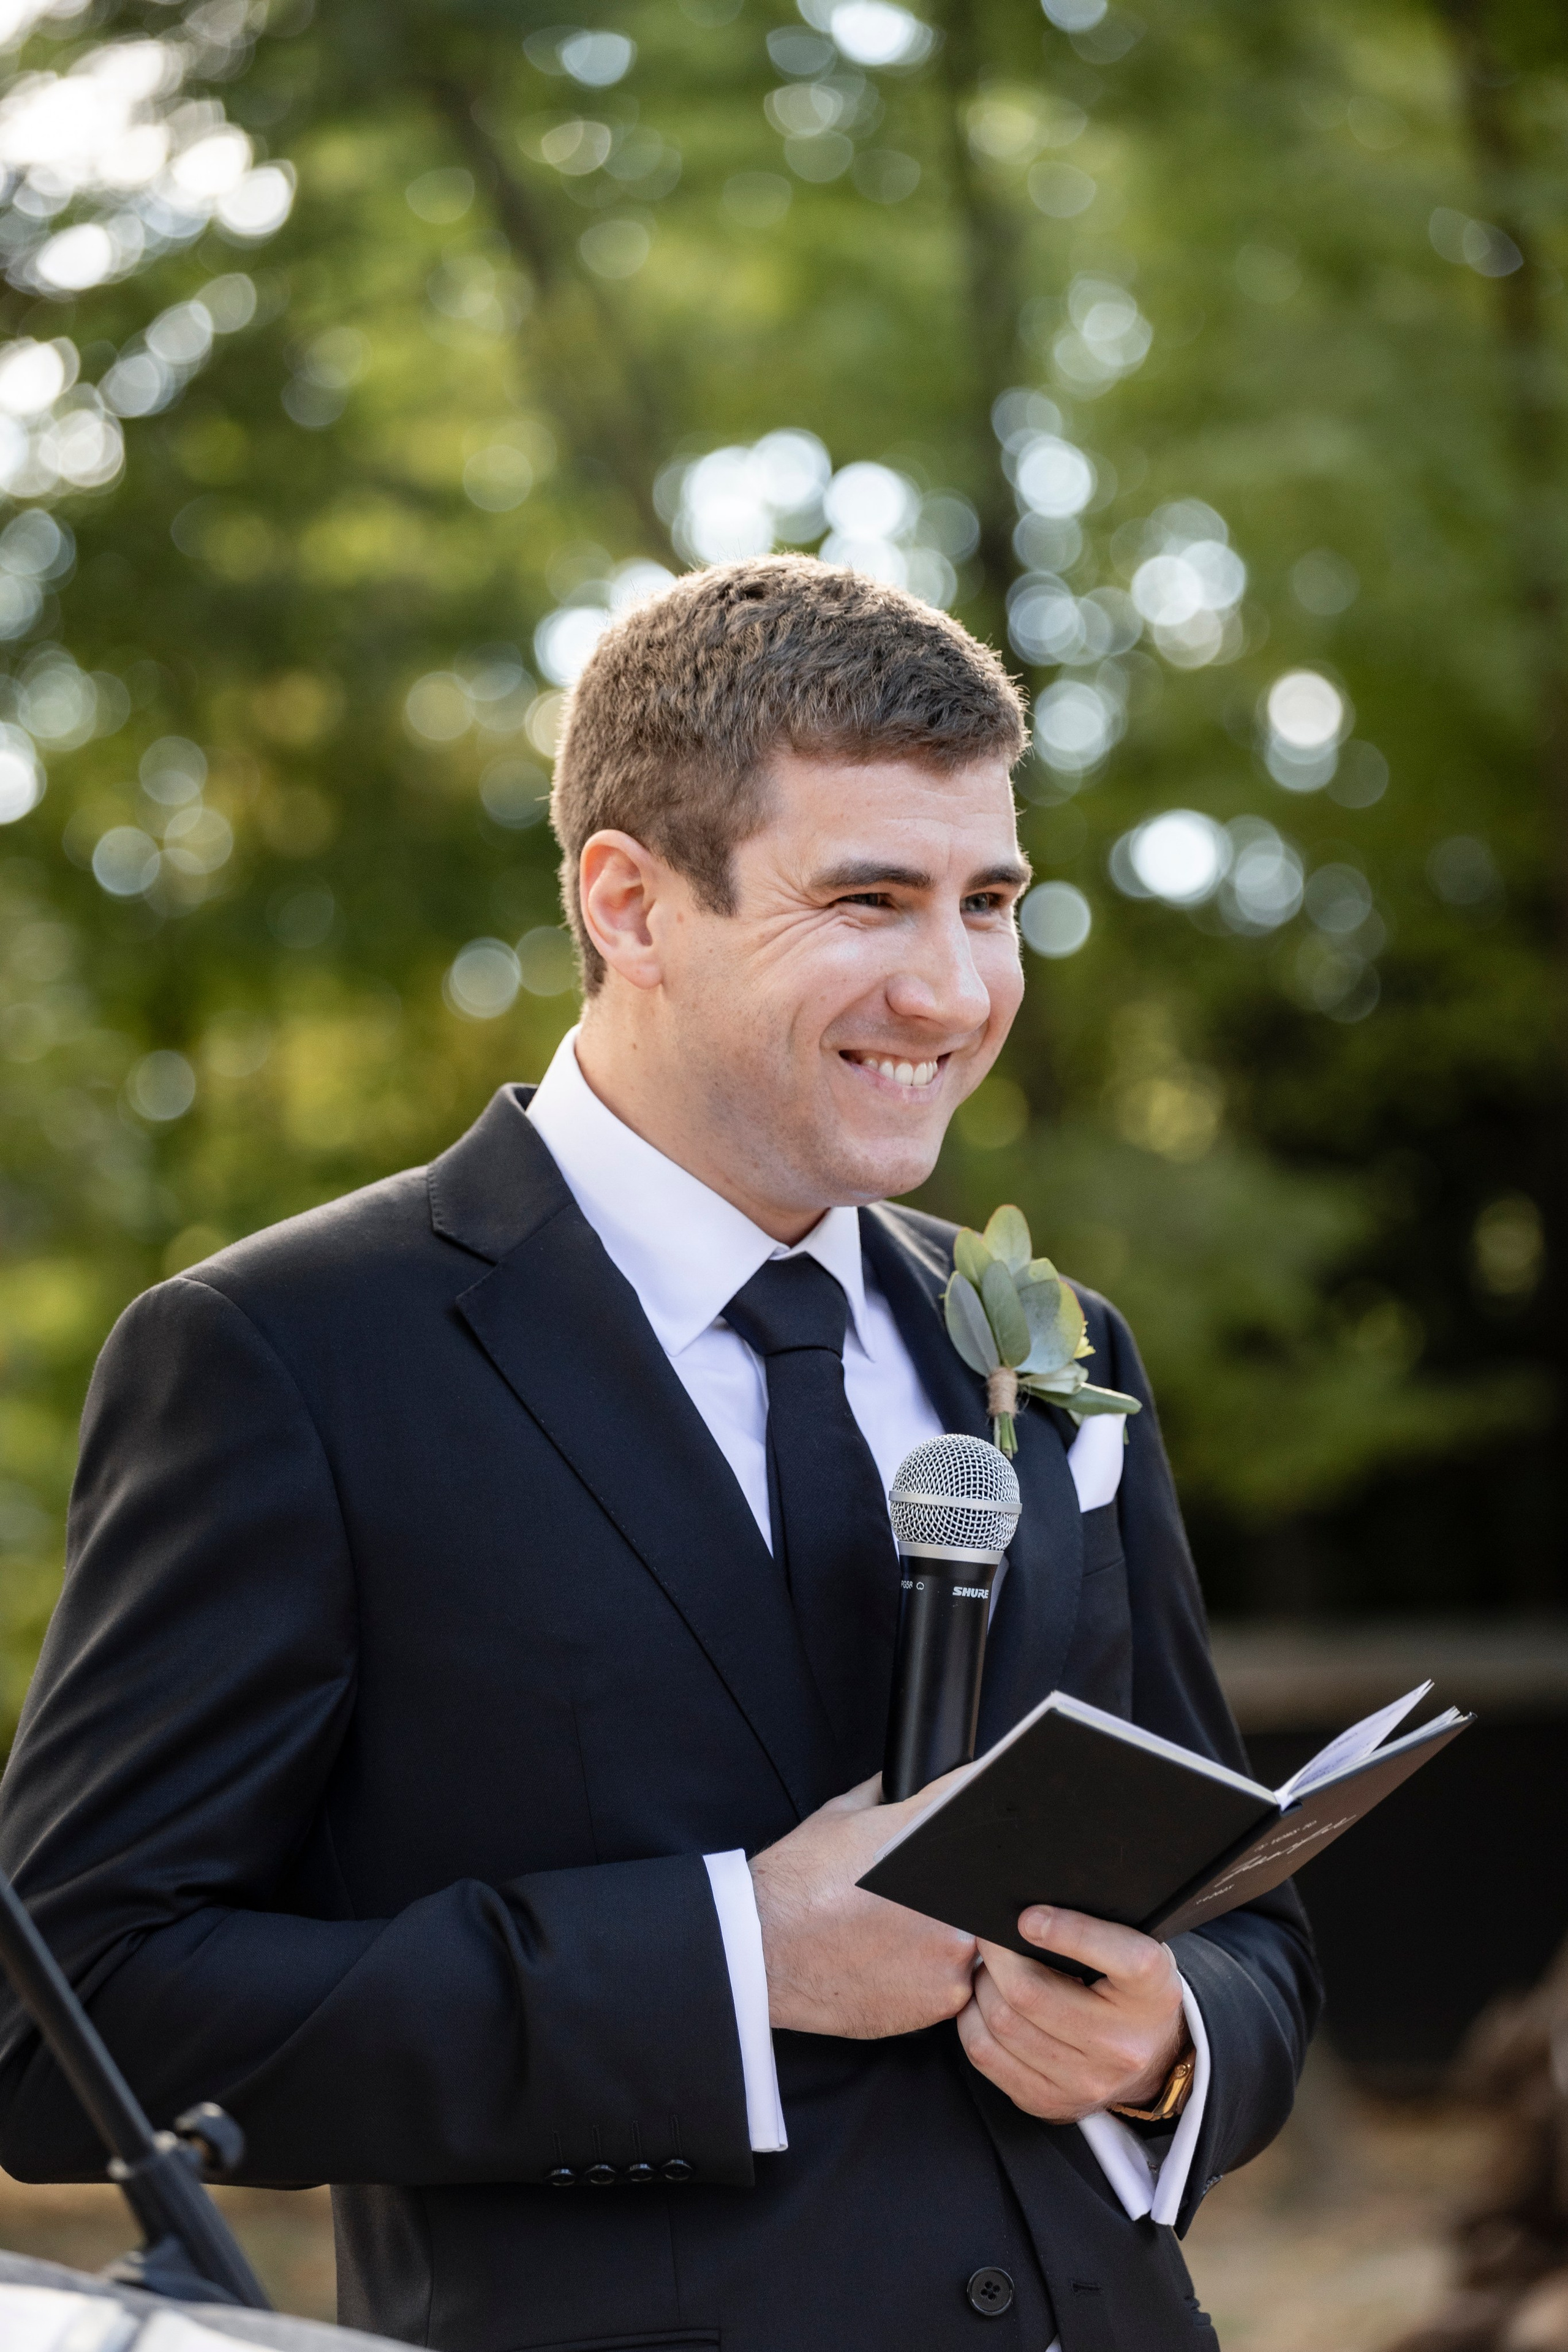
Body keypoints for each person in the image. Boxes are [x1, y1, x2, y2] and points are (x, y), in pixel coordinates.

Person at [0, 559, 1319, 2351]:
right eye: (869, 900)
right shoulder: (288, 1357)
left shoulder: (1056, 1344)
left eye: (991, 902)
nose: (953, 990)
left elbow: (1251, 1928)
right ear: (629, 902)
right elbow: (68, 2019)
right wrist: (732, 1961)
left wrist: (1174, 2039)